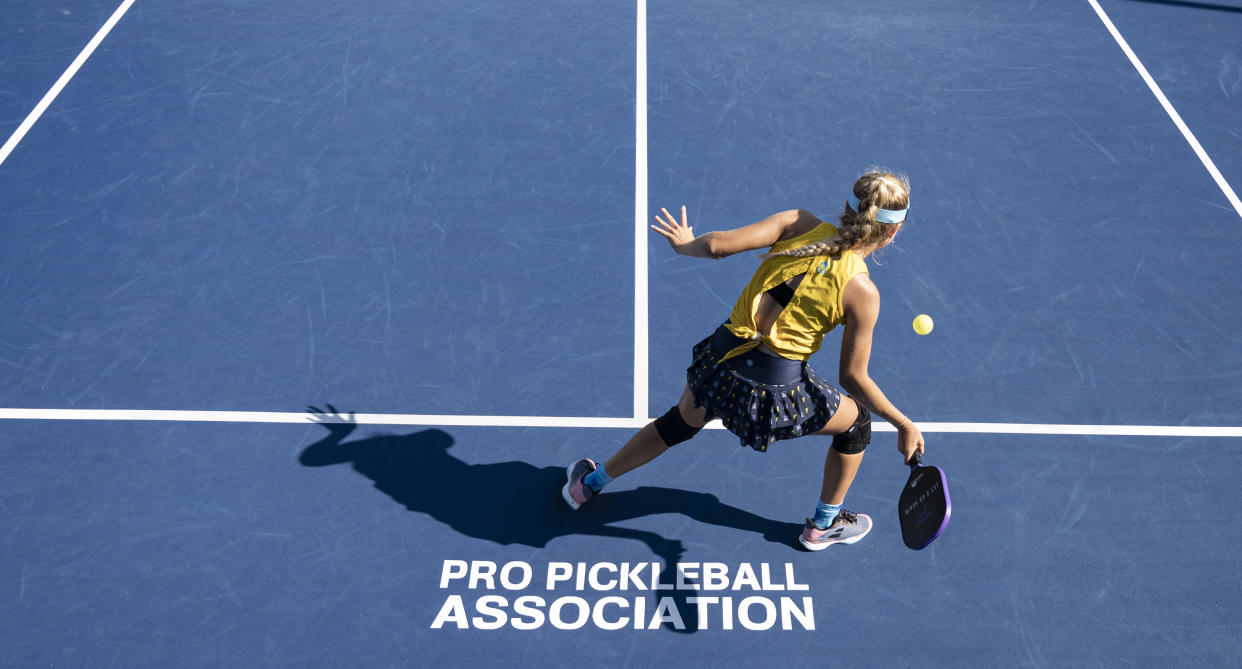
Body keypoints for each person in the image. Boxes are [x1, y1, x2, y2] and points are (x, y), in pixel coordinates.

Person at [562, 169, 925, 551]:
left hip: (718, 364)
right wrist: (902, 423)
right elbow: (853, 377)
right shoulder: (863, 292)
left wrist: (685, 244)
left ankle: (588, 485)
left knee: (676, 425)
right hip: (770, 397)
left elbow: (717, 245)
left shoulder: (797, 222)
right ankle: (822, 525)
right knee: (857, 425)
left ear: (847, 209)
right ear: (892, 233)